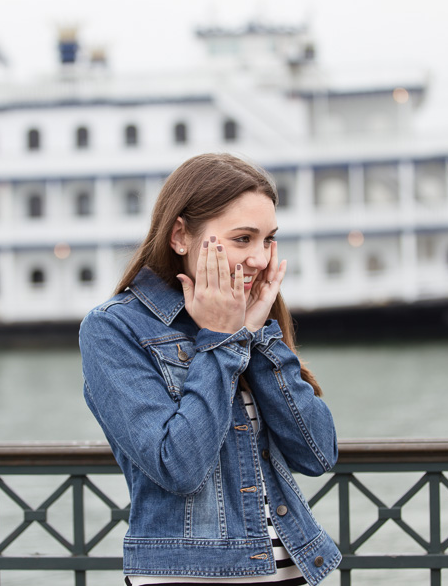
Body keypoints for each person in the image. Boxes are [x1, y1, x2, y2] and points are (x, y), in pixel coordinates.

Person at [79, 153, 341, 586]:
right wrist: (220, 340)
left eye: (268, 240)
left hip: (290, 569)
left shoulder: (251, 320)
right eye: (242, 239)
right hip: (187, 576)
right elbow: (178, 466)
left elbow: (318, 454)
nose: (259, 258)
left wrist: (256, 335)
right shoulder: (114, 327)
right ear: (180, 235)